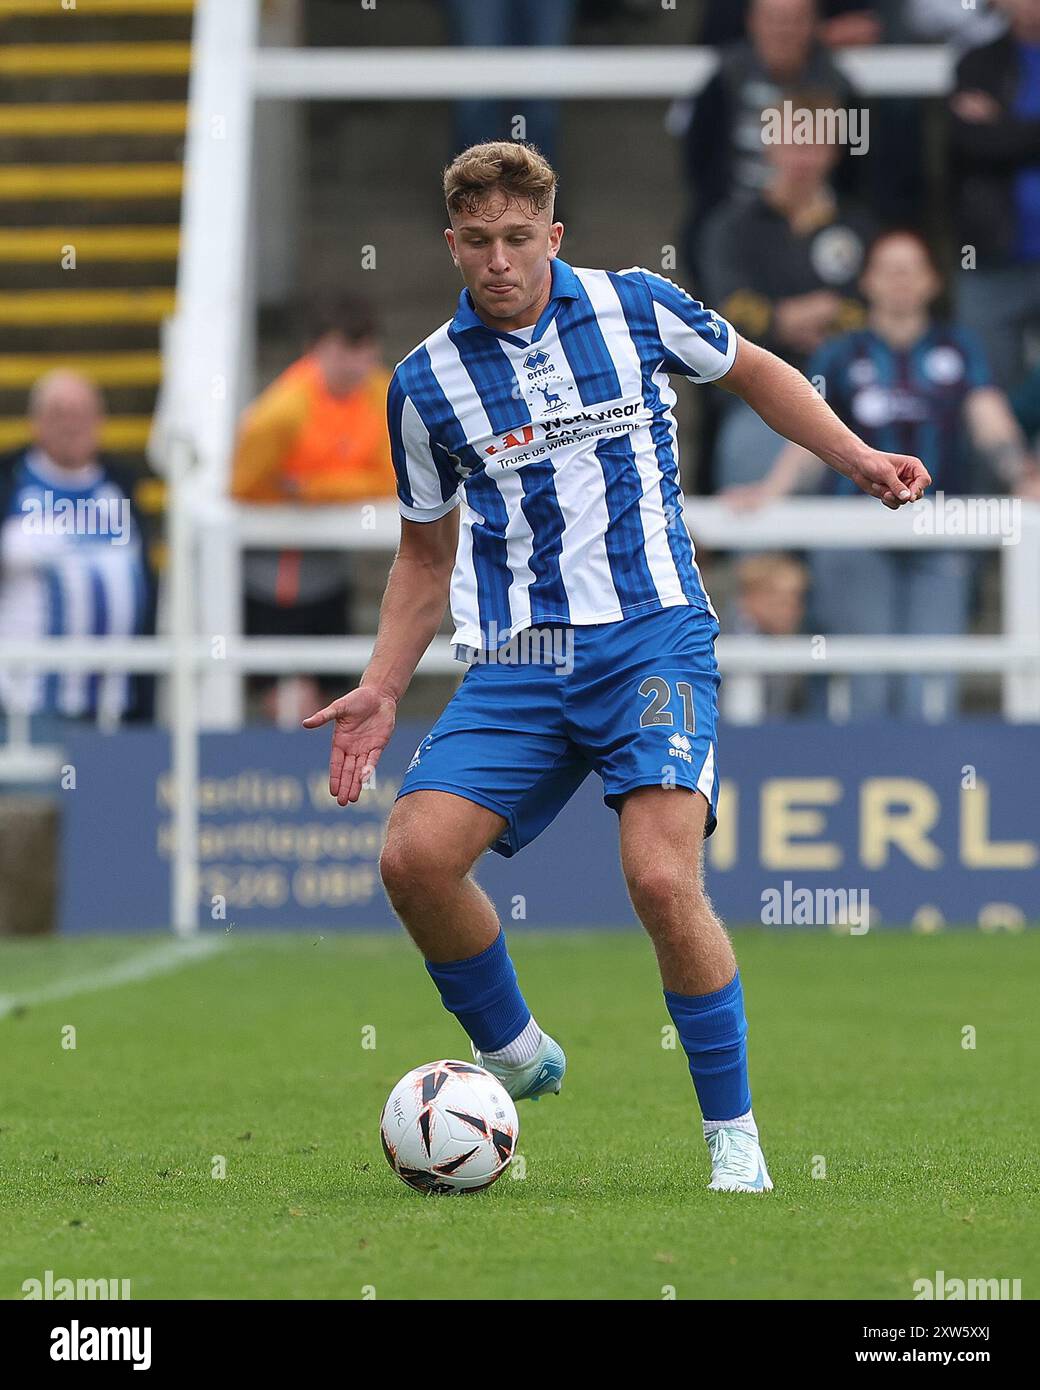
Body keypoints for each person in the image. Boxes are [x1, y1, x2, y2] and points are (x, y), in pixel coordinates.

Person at [303, 142, 929, 1194]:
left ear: (551, 236)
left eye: (517, 239)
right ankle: (513, 1050)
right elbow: (423, 556)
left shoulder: (634, 304)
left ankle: (731, 1134)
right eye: (478, 243)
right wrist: (379, 681)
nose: (498, 261)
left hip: (651, 635)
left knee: (655, 877)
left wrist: (855, 456)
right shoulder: (423, 384)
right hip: (518, 659)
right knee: (412, 857)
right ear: (450, 244)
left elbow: (758, 371)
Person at [723, 230, 1035, 719]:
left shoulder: (960, 348)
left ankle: (935, 782)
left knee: (930, 682)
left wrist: (1021, 473)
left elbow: (988, 418)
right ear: (867, 280)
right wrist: (772, 491)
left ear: (933, 281)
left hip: (940, 531)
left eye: (912, 269)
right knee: (862, 683)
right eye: (889, 269)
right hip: (853, 532)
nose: (900, 281)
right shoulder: (842, 354)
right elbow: (814, 433)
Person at [231, 296, 397, 723]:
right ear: (316, 349)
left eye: (363, 351)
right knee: (289, 700)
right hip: (277, 574)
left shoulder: (383, 394)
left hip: (329, 571)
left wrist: (310, 487)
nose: (353, 364)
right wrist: (342, 487)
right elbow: (244, 485)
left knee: (331, 692)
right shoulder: (281, 411)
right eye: (342, 350)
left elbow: (392, 478)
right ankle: (278, 783)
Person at [700, 97, 878, 487]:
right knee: (754, 505)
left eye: (813, 143)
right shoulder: (730, 227)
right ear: (769, 146)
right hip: (755, 399)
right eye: (792, 142)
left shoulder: (859, 225)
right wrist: (802, 315)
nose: (803, 156)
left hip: (852, 395)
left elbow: (870, 311)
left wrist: (791, 317)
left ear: (833, 151)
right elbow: (725, 313)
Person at [0, 371, 153, 727]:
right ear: (35, 422)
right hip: (23, 707)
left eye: (81, 414)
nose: (71, 425)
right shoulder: (9, 482)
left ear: (99, 421)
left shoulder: (122, 485)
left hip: (114, 711)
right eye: (58, 414)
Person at [680, 0, 856, 273]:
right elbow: (697, 155)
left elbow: (861, 159)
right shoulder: (724, 79)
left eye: (794, 20)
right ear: (752, 22)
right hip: (734, 224)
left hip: (824, 233)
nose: (783, 31)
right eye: (774, 19)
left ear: (814, 24)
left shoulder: (841, 87)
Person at [952, 0, 1040, 389]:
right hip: (991, 260)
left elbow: (995, 140)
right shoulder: (976, 62)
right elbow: (974, 145)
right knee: (988, 396)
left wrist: (1004, 125)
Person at [722, 553, 810, 721]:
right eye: (781, 600)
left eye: (797, 600)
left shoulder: (801, 643)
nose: (792, 610)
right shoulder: (711, 632)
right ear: (750, 598)